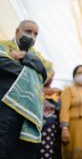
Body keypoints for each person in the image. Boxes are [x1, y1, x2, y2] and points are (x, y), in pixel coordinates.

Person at [0, 20, 53, 158]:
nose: (32, 36)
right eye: (28, 31)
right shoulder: (3, 46)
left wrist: (24, 56)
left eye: (35, 34)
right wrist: (33, 70)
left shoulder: (37, 56)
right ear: (18, 31)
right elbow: (3, 64)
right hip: (5, 108)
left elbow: (47, 69)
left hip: (28, 115)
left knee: (24, 152)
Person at [41, 73, 62, 159]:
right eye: (49, 74)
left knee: (49, 152)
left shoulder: (56, 93)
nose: (51, 77)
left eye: (52, 75)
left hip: (51, 130)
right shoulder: (34, 88)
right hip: (37, 127)